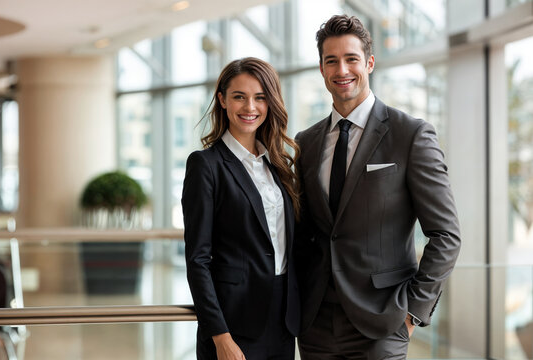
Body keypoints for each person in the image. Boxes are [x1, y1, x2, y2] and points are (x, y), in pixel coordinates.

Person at [294, 15, 461, 359]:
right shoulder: (306, 142)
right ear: (322, 69)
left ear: (369, 63)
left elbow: (446, 234)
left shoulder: (410, 134)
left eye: (351, 59)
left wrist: (414, 312)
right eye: (332, 61)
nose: (342, 70)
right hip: (315, 323)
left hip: (383, 323)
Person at [182, 57, 301, 360]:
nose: (250, 107)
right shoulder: (206, 165)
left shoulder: (277, 165)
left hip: (283, 322)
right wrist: (220, 337)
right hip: (234, 325)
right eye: (239, 96)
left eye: (260, 97)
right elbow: (198, 259)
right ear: (222, 100)